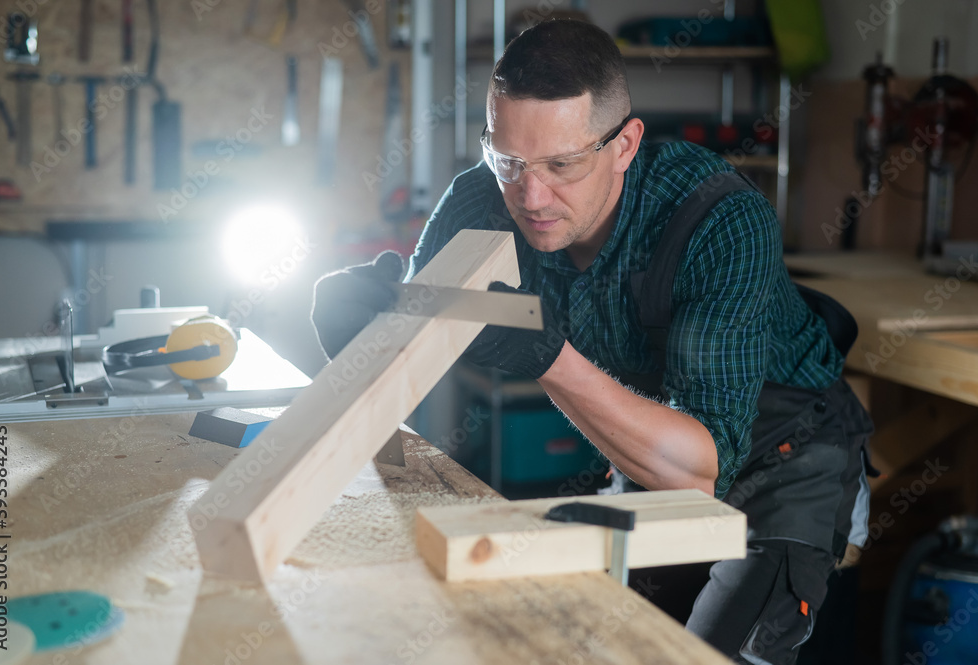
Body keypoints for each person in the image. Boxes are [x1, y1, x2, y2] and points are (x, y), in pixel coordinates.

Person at [312, 19, 874, 665]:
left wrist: (546, 356)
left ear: (625, 144)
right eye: (508, 160)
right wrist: (359, 340)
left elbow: (698, 470)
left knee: (713, 653)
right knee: (609, 642)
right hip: (647, 449)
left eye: (563, 164)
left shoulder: (718, 219)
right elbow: (406, 351)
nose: (532, 195)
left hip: (781, 457)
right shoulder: (481, 200)